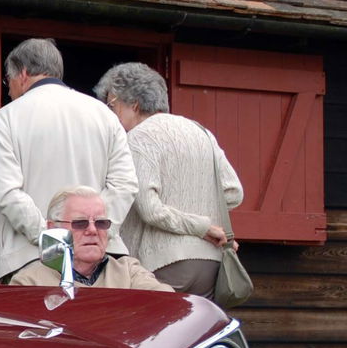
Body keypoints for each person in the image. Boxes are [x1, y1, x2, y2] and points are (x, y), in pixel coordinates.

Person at [0, 38, 137, 283]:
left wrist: (54, 238)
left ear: (22, 73)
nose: (9, 90)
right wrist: (94, 234)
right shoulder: (104, 115)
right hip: (100, 266)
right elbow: (125, 185)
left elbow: (8, 192)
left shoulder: (6, 119)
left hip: (29, 260)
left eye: (7, 81)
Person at [94, 61, 242, 300]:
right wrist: (202, 218)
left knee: (148, 335)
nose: (109, 114)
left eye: (112, 105)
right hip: (210, 264)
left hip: (160, 264)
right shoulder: (201, 132)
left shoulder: (137, 138)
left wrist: (200, 226)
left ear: (134, 104)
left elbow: (150, 210)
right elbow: (234, 193)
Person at [10, 187, 173, 291]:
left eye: (101, 223)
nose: (93, 230)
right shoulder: (29, 283)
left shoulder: (128, 272)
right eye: (80, 223)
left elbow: (166, 302)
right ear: (54, 229)